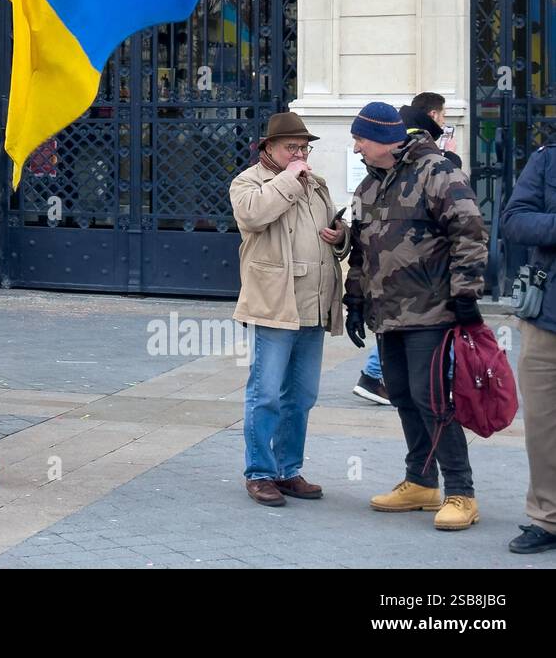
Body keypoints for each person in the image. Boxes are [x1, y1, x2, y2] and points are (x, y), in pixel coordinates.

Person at [345, 102, 488, 530]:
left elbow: (470, 231)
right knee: (403, 395)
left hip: (431, 311)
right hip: (387, 314)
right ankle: (421, 482)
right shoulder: (369, 188)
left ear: (385, 139)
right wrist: (356, 301)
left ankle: (461, 492)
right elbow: (360, 252)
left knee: (433, 402)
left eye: (360, 140)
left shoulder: (437, 172)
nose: (355, 149)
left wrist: (465, 295)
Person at [231, 112, 347, 506]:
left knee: (302, 395)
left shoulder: (317, 185)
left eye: (304, 148)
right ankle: (260, 473)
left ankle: (288, 469)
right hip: (274, 304)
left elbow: (330, 234)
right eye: (291, 148)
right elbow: (254, 215)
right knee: (266, 393)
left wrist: (341, 236)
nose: (300, 154)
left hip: (313, 304)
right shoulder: (248, 182)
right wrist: (289, 177)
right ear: (268, 148)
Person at [499, 146, 556, 554]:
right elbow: (514, 221)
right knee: (543, 427)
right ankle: (547, 517)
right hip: (547, 319)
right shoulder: (548, 159)